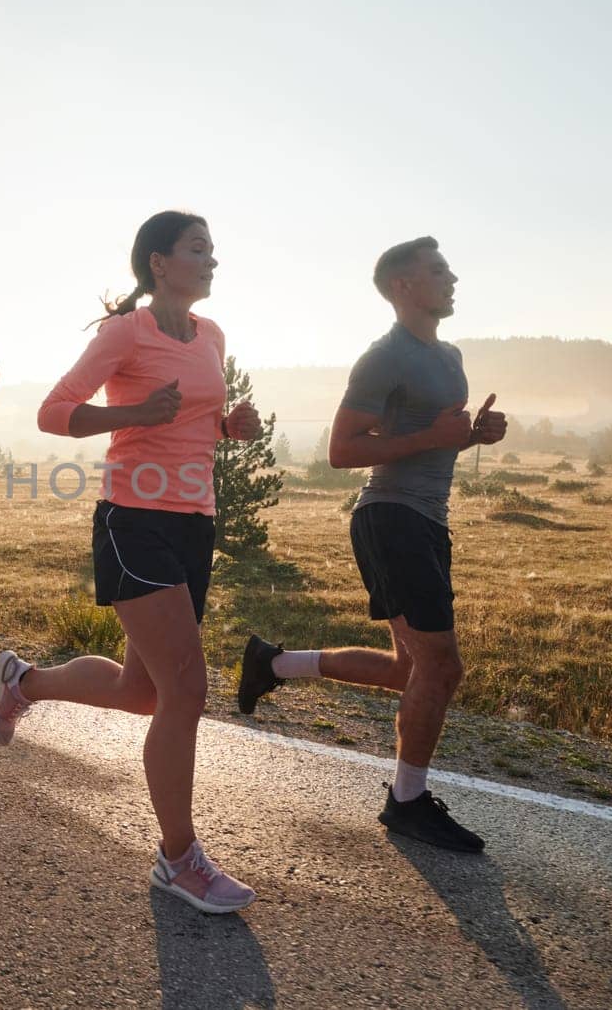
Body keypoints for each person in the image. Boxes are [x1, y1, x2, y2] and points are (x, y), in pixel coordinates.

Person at [0, 210, 262, 914]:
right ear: (159, 262)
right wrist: (134, 412)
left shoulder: (212, 336)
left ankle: (25, 681)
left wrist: (231, 427)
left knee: (146, 692)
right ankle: (178, 859)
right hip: (132, 519)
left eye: (213, 250)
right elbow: (56, 411)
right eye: (198, 249)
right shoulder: (125, 333)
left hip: (193, 523)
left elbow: (196, 423)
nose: (212, 261)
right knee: (187, 689)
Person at [235, 236, 507, 853]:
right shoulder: (383, 358)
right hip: (391, 517)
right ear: (402, 286)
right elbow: (342, 451)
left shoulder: (451, 355)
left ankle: (273, 664)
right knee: (441, 666)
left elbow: (429, 437)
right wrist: (435, 436)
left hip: (427, 521)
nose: (452, 276)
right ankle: (407, 803)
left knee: (408, 669)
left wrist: (470, 437)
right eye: (438, 270)